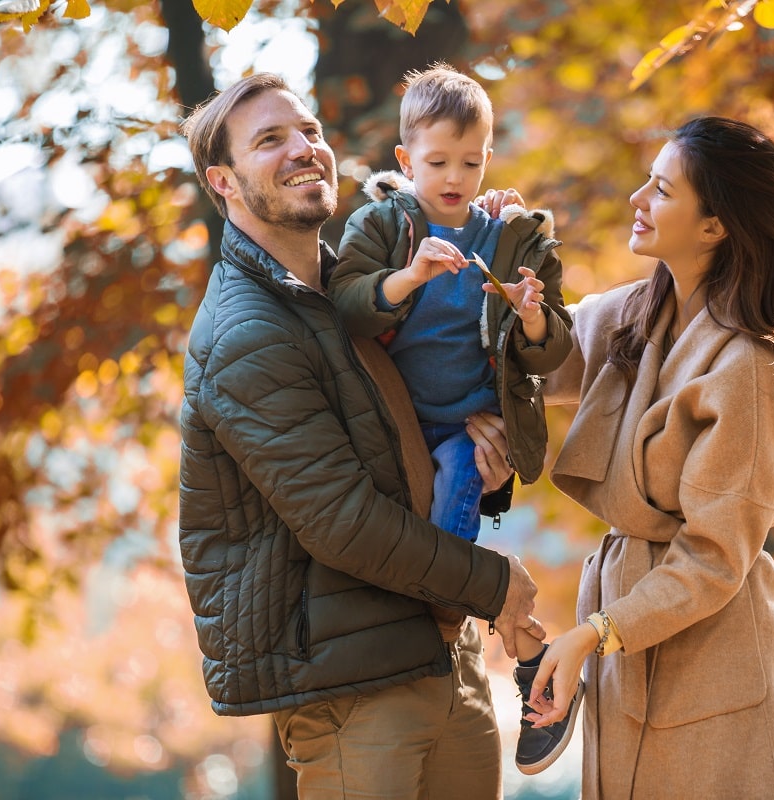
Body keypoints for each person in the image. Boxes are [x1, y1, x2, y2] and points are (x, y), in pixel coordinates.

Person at [176, 72, 546, 800]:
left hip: (443, 654)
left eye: (310, 131)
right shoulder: (247, 331)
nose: (304, 149)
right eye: (270, 140)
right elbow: (343, 523)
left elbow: (406, 447)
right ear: (223, 181)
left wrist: (484, 468)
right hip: (350, 688)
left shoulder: (356, 293)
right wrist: (497, 584)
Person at [521, 116, 774, 798]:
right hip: (621, 643)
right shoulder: (640, 312)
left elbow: (715, 556)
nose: (639, 199)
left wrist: (595, 633)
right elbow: (538, 357)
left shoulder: (754, 371)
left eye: (662, 190)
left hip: (712, 657)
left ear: (714, 226)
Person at [328, 63, 580, 775]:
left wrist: (532, 319)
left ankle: (442, 616)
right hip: (400, 422)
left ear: (488, 160)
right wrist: (408, 278)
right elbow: (343, 302)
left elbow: (554, 346)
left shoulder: (511, 237)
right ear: (407, 161)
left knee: (458, 487)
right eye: (437, 162)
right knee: (422, 512)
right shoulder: (382, 223)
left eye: (470, 162)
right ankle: (492, 622)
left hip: (472, 426)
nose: (454, 176)